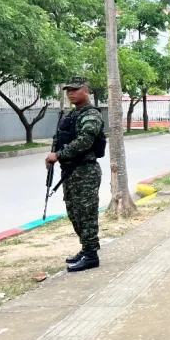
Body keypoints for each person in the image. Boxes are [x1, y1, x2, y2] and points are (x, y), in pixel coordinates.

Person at [45, 78, 106, 273]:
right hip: (71, 171)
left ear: (86, 91)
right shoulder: (73, 114)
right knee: (74, 212)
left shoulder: (90, 115)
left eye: (75, 90)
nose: (70, 93)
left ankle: (91, 255)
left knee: (86, 214)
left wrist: (58, 155)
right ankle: (85, 248)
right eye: (68, 90)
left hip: (85, 171)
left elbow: (84, 141)